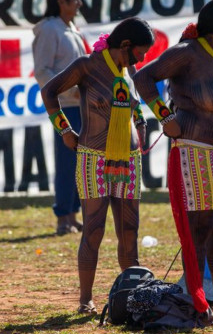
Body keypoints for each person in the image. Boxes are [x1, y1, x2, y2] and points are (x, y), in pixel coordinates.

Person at [133, 0, 213, 325]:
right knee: (200, 230)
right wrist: (164, 116)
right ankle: (197, 306)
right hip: (197, 151)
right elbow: (144, 78)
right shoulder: (186, 53)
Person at [40, 17, 153, 314]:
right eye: (139, 53)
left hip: (129, 159)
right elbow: (48, 92)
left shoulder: (128, 70)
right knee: (94, 229)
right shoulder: (86, 66)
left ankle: (131, 295)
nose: (141, 59)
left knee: (129, 230)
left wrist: (141, 124)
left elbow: (135, 103)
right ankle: (86, 299)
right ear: (125, 45)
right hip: (94, 158)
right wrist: (64, 130)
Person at [32, 0, 89, 235]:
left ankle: (73, 214)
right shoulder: (49, 29)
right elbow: (43, 71)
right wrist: (68, 91)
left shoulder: (72, 29)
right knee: (66, 160)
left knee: (81, 161)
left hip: (81, 105)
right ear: (61, 3)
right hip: (63, 106)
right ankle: (61, 217)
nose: (79, 3)